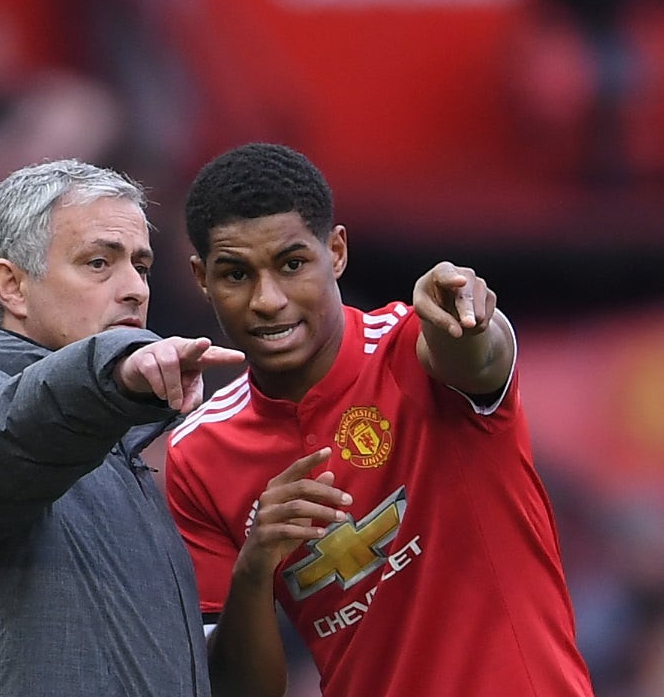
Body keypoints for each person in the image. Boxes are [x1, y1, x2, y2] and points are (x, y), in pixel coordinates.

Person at [165, 142, 595, 697]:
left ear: (336, 252)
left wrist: (464, 319)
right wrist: (255, 567)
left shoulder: (415, 348)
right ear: (201, 278)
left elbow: (479, 356)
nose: (267, 300)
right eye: (235, 274)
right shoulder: (198, 455)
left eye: (292, 264)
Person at [0, 158, 243, 697]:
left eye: (141, 265)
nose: (135, 288)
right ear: (12, 286)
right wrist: (112, 369)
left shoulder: (116, 449)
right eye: (98, 263)